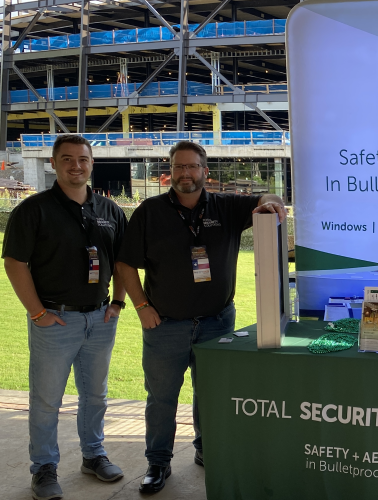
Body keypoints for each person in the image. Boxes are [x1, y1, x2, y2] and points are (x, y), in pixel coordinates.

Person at [115, 141, 286, 494]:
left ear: (205, 171)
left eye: (192, 166)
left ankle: (207, 450)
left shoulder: (226, 206)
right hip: (165, 326)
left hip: (216, 322)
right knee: (161, 398)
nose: (185, 173)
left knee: (210, 394)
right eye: (178, 166)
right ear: (170, 171)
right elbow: (125, 264)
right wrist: (142, 307)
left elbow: (267, 197)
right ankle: (158, 462)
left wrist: (272, 202)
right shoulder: (150, 212)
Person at [3, 134, 128, 500]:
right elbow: (14, 263)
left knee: (96, 395)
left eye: (83, 159)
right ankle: (43, 468)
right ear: (54, 163)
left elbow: (123, 262)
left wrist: (117, 304)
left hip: (100, 319)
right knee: (47, 400)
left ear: (92, 164)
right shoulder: (34, 210)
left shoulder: (110, 210)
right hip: (54, 320)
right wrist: (37, 312)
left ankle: (94, 455)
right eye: (68, 159)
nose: (76, 166)